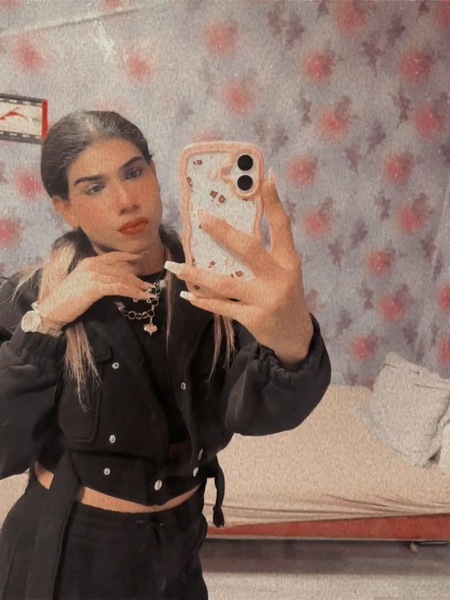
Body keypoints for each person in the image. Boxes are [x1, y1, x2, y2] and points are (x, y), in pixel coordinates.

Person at [0, 110, 331, 600]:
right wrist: (48, 321)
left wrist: (293, 341)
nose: (126, 199)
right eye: (94, 187)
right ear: (66, 208)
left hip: (176, 549)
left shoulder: (216, 291)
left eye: (134, 172)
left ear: (156, 174)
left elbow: (256, 412)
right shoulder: (31, 295)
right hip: (67, 555)